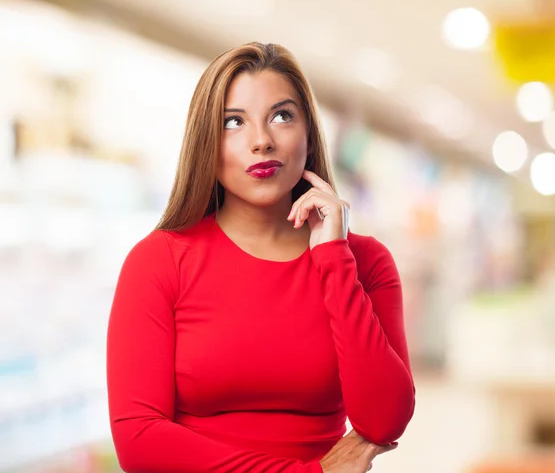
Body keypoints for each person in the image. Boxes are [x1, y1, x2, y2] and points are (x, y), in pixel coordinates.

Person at [106, 42, 415, 473]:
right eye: (233, 122)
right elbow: (138, 441)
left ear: (309, 137)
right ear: (206, 146)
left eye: (282, 116)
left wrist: (333, 257)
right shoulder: (159, 261)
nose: (262, 141)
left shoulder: (365, 262)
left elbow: (384, 420)